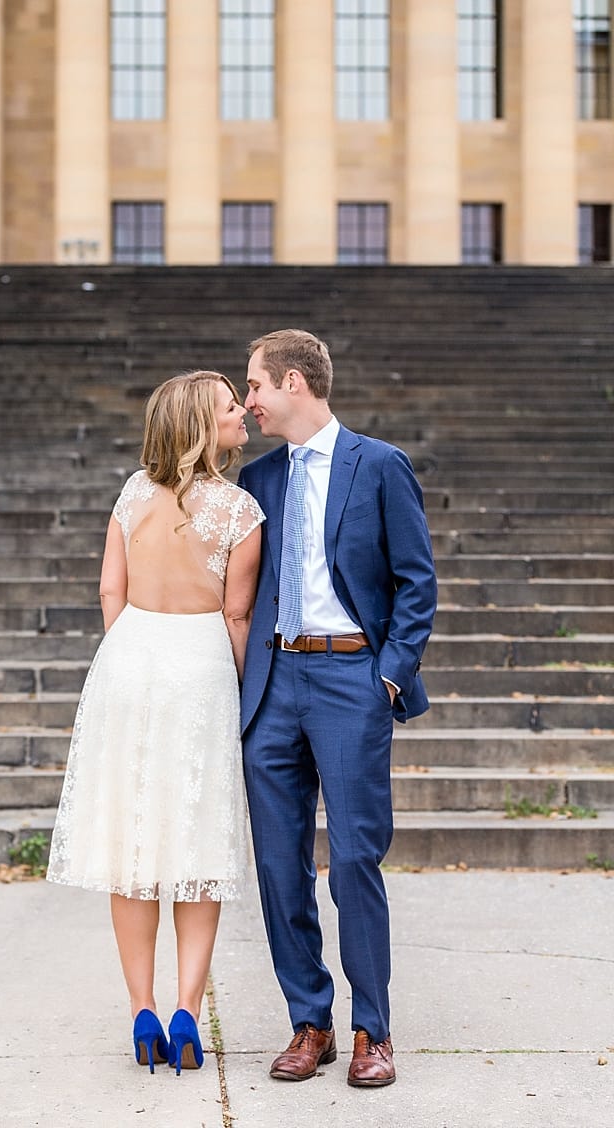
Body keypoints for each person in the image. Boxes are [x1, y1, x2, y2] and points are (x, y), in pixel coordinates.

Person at [46, 371, 263, 1076]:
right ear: (204, 426)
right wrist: (232, 682)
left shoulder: (133, 494)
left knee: (135, 844)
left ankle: (141, 1008)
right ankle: (185, 1013)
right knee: (197, 843)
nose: (243, 416)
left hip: (130, 660)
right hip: (201, 664)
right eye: (232, 408)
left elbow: (111, 587)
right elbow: (237, 615)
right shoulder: (240, 512)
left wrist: (128, 650)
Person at [238, 329, 437, 1088]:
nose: (249, 402)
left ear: (294, 382)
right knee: (278, 864)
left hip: (353, 678)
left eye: (254, 385)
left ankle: (371, 1032)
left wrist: (388, 675)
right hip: (276, 684)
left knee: (353, 859)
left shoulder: (379, 465)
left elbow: (417, 582)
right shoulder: (261, 481)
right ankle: (309, 1021)